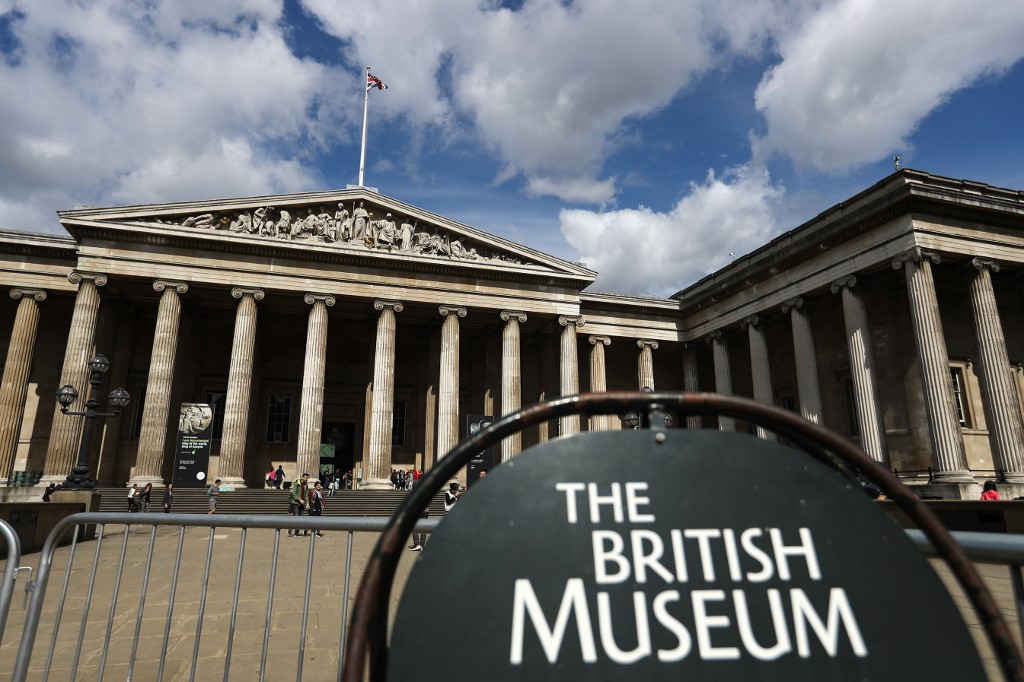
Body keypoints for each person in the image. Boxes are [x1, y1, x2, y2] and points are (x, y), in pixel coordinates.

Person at [288, 472, 311, 537]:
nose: (307, 479)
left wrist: (307, 504)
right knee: (296, 518)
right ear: (302, 477)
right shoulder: (297, 484)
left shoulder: (306, 485)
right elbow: (293, 493)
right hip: (295, 503)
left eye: (307, 478)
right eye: (306, 478)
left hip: (302, 504)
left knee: (300, 518)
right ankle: (295, 533)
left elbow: (306, 495)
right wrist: (299, 499)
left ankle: (295, 531)